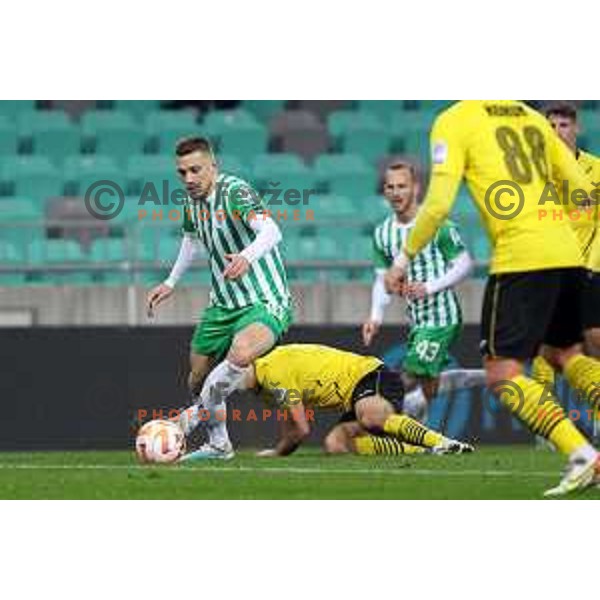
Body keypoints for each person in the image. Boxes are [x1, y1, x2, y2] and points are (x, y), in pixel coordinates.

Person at [386, 100, 600, 496]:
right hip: (569, 253)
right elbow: (582, 193)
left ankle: (582, 455)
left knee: (503, 373)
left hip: (521, 260)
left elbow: (436, 206)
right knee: (564, 355)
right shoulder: (532, 118)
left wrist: (401, 260)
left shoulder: (456, 119)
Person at [147, 136, 293, 460]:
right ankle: (219, 443)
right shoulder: (191, 202)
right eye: (182, 173)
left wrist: (247, 257)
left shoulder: (235, 192)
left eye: (195, 170)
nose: (188, 179)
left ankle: (191, 418)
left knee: (239, 353)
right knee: (197, 375)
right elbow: (190, 240)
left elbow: (272, 231)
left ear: (213, 166)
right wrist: (171, 281)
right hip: (222, 302)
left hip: (264, 299)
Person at [180, 344, 474, 461]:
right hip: (352, 394)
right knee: (337, 445)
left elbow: (301, 428)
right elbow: (291, 426)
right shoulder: (265, 386)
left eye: (229, 374)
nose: (227, 383)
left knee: (371, 417)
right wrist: (278, 451)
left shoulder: (273, 374)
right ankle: (418, 448)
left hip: (370, 376)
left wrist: (279, 452)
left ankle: (441, 442)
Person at [362, 160, 477, 421]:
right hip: (417, 318)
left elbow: (465, 264)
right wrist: (375, 317)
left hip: (443, 316)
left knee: (410, 373)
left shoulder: (436, 223)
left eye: (402, 186)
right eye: (390, 187)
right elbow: (382, 279)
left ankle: (395, 415)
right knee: (428, 380)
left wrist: (429, 287)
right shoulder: (382, 233)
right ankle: (432, 412)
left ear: (416, 188)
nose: (396, 192)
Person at [532, 103, 600, 393]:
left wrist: (592, 266)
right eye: (551, 126)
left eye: (564, 125)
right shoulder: (532, 175)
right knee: (545, 349)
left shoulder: (596, 169)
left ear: (577, 128)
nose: (557, 132)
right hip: (548, 271)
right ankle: (546, 425)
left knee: (595, 339)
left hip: (589, 268)